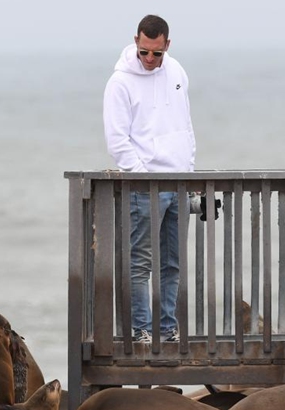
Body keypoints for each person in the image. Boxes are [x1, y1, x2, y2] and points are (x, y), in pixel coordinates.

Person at [103, 14, 195, 343]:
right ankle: (141, 329)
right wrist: (142, 176)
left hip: (179, 182)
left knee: (172, 264)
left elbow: (184, 124)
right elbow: (117, 140)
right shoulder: (120, 82)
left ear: (166, 45)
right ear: (136, 42)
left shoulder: (177, 71)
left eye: (156, 52)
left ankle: (168, 329)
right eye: (144, 52)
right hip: (144, 186)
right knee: (140, 262)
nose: (150, 59)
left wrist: (189, 167)